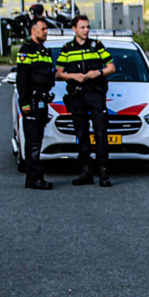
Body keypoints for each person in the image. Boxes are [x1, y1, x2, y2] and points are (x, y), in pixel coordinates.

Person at [56, 15, 116, 187]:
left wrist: (99, 72)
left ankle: (104, 172)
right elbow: (58, 73)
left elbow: (112, 67)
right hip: (77, 95)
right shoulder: (67, 49)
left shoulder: (96, 46)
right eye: (82, 27)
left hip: (95, 94)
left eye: (88, 27)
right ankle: (85, 171)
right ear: (74, 29)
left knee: (100, 132)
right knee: (81, 134)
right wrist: (72, 76)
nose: (86, 30)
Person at [16, 16, 56, 190]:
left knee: (37, 140)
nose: (46, 32)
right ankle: (34, 178)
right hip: (31, 102)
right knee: (32, 142)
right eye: (43, 29)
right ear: (34, 31)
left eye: (46, 29)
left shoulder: (45, 51)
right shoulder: (27, 50)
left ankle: (34, 177)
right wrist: (24, 102)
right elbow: (22, 78)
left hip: (42, 100)